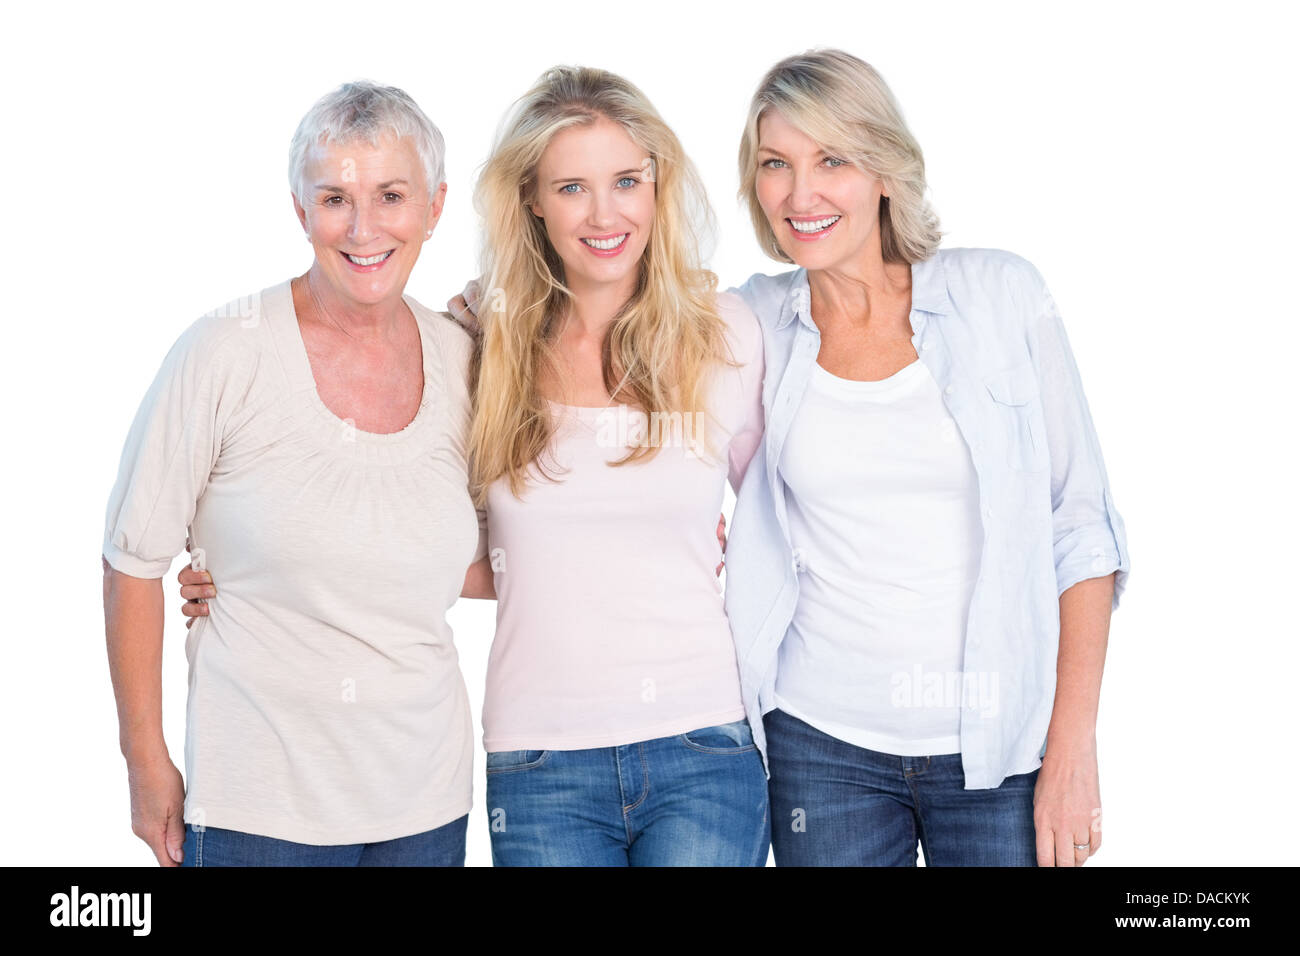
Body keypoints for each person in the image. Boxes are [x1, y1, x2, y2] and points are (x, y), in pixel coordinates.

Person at [722, 49, 1132, 866]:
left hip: (1000, 748)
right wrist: (489, 316)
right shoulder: (752, 322)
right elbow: (617, 338)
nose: (800, 194)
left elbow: (1080, 528)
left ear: (883, 169)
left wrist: (1072, 747)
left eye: (831, 159)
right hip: (821, 745)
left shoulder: (1001, 295)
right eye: (777, 164)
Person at [102, 81, 486, 867]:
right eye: (335, 199)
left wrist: (658, 533)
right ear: (300, 210)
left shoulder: (463, 358)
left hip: (426, 802)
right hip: (259, 809)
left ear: (436, 207)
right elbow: (133, 560)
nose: (365, 227)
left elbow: (478, 561)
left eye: (391, 196)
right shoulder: (225, 351)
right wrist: (146, 765)